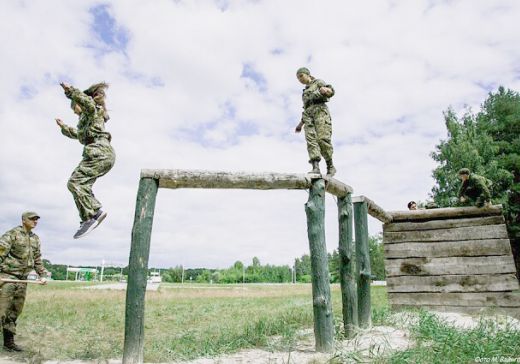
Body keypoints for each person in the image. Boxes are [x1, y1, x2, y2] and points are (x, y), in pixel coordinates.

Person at [56, 82, 116, 239]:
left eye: (74, 108)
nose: (74, 112)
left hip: (99, 152)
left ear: (79, 104)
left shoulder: (91, 109)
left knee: (76, 183)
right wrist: (63, 127)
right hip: (100, 153)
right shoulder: (88, 120)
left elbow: (87, 103)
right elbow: (79, 135)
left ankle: (93, 214)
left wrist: (70, 91)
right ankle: (90, 216)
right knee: (78, 184)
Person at [0, 212, 48, 352]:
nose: (35, 221)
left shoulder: (35, 238)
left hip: (23, 280)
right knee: (2, 311)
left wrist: (42, 274)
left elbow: (37, 259)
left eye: (36, 219)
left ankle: (9, 343)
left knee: (14, 312)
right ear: (23, 220)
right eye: (32, 219)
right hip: (7, 278)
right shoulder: (12, 234)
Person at [294, 67, 336, 176]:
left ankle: (330, 166)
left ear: (308, 74)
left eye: (301, 76)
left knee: (322, 139)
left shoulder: (318, 82)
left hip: (320, 112)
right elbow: (306, 108)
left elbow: (330, 91)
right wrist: (300, 124)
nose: (300, 79)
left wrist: (327, 91)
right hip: (308, 117)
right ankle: (315, 167)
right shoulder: (304, 93)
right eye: (298, 78)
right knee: (311, 141)